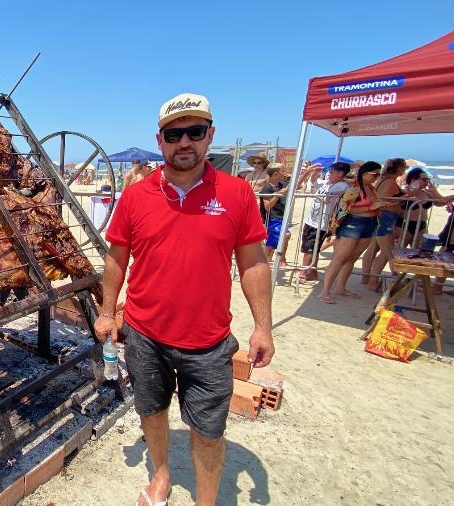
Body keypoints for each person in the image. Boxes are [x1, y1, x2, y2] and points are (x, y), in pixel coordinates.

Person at [94, 93, 274, 506]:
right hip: (144, 335)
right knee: (152, 411)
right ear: (161, 140)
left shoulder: (237, 193)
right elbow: (116, 258)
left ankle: (205, 501)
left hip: (208, 342)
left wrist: (262, 327)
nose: (185, 142)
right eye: (175, 134)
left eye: (195, 132)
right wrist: (107, 312)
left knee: (209, 432)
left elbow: (253, 263)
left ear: (210, 135)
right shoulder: (137, 196)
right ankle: (160, 477)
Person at [318, 162, 384, 304]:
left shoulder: (371, 188)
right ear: (365, 173)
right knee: (339, 259)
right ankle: (324, 291)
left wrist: (377, 207)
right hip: (353, 224)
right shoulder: (354, 188)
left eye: (379, 174)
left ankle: (340, 287)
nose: (377, 177)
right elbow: (344, 210)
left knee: (351, 258)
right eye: (375, 174)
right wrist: (371, 208)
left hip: (368, 224)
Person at [298, 162, 351, 282]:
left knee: (310, 249)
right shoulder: (326, 183)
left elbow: (340, 192)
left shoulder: (341, 185)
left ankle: (303, 272)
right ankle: (312, 272)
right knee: (311, 248)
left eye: (332, 172)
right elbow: (314, 182)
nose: (328, 174)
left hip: (321, 222)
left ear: (340, 174)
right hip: (311, 219)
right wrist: (315, 173)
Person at [360, 158, 408, 290]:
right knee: (387, 251)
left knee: (373, 248)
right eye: (404, 167)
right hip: (385, 218)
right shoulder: (391, 182)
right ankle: (373, 280)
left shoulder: (381, 180)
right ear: (398, 168)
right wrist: (406, 197)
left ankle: (366, 277)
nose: (405, 170)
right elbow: (387, 201)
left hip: (378, 217)